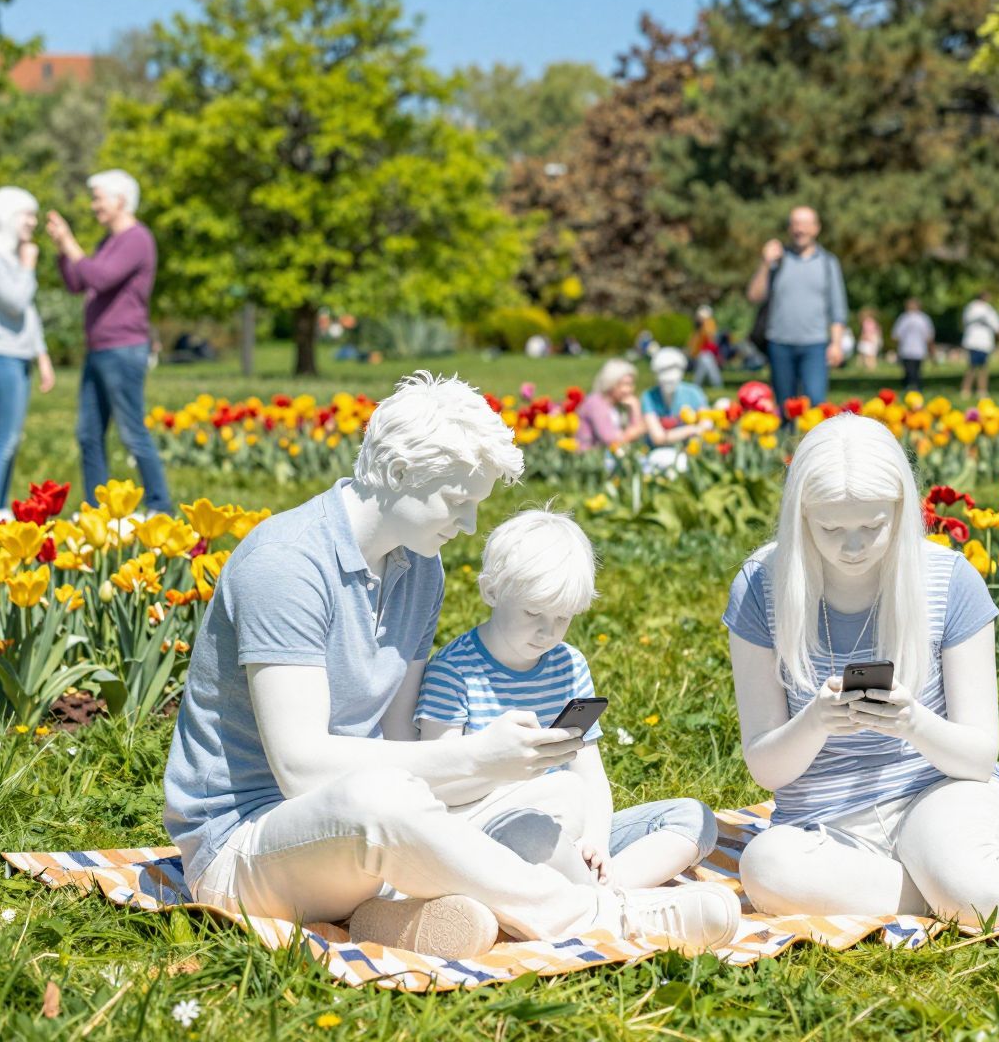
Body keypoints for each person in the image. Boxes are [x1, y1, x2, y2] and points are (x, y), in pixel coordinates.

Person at [162, 372, 739, 958]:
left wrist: (502, 767)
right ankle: (599, 914)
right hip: (245, 845)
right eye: (458, 501)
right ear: (398, 472)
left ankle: (399, 914)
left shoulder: (419, 568)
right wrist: (472, 757)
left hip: (362, 832)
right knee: (382, 802)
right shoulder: (287, 564)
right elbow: (301, 771)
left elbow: (397, 737)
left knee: (559, 798)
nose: (467, 525)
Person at [724, 415, 999, 924]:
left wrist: (911, 721)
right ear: (800, 516)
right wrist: (817, 721)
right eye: (831, 529)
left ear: (902, 510)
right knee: (765, 866)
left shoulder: (946, 579)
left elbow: (978, 758)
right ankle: (959, 894)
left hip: (937, 794)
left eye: (873, 526)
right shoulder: (762, 586)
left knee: (963, 877)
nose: (853, 547)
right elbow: (766, 768)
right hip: (822, 824)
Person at [418, 510, 718, 889]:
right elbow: (437, 786)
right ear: (491, 591)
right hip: (489, 833)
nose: (547, 631)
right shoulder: (454, 670)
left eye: (562, 618)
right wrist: (504, 766)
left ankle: (602, 892)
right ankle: (590, 896)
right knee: (557, 800)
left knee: (694, 819)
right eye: (532, 612)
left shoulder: (568, 664)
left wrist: (595, 839)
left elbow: (589, 773)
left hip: (569, 828)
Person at [47, 169, 171, 515]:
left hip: (123, 348)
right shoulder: (109, 241)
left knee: (132, 432)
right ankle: (97, 511)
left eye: (98, 198)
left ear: (120, 199)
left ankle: (160, 507)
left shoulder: (137, 238)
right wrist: (62, 249)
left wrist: (71, 243)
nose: (93, 205)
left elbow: (100, 277)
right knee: (88, 434)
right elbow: (78, 282)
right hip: (100, 349)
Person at [0, 186, 56, 517]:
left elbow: (28, 313)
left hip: (18, 355)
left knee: (11, 439)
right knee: (3, 438)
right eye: (28, 215)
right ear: (7, 215)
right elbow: (17, 302)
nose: (32, 222)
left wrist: (42, 357)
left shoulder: (6, 256)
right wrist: (28, 265)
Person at [747, 206, 848, 410]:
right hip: (779, 343)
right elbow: (754, 296)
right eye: (795, 224)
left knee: (816, 404)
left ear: (816, 228)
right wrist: (765, 264)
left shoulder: (828, 263)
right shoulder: (777, 261)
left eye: (804, 224)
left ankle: (814, 442)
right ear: (789, 228)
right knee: (785, 408)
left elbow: (838, 308)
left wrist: (836, 344)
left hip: (816, 345)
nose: (799, 229)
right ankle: (787, 442)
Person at [641, 349, 712, 451]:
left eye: (673, 369)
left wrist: (670, 436)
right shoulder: (649, 397)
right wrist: (691, 429)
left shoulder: (694, 393)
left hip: (692, 449)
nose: (668, 378)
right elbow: (658, 438)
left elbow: (707, 424)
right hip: (660, 451)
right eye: (663, 371)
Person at [573, 359, 647, 455]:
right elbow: (610, 439)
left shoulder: (619, 404)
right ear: (611, 383)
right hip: (590, 456)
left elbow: (636, 436)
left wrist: (635, 409)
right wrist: (637, 430)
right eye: (624, 384)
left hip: (611, 454)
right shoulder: (596, 403)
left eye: (631, 384)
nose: (629, 390)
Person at [959, 291, 999, 399]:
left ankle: (972, 390)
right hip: (980, 342)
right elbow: (998, 327)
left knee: (975, 366)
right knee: (979, 367)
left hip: (976, 341)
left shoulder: (971, 308)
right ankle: (976, 390)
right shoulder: (984, 309)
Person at [890, 299, 934, 395]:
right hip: (918, 350)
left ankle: (911, 388)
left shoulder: (904, 318)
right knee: (915, 371)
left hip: (907, 349)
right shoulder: (923, 318)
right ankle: (915, 388)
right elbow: (929, 336)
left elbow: (896, 335)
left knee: (910, 371)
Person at [689, 306, 725, 391]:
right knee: (701, 370)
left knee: (711, 370)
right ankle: (696, 385)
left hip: (706, 351)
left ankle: (717, 385)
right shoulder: (703, 325)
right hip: (703, 351)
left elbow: (710, 338)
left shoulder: (708, 324)